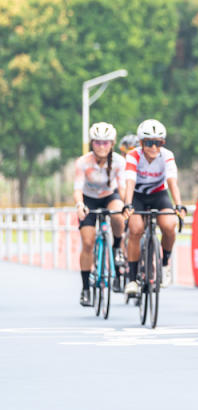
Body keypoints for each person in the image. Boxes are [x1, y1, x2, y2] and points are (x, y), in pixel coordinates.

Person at [121, 119, 187, 293]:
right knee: (135, 229)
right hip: (137, 195)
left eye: (158, 143)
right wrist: (127, 204)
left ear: (162, 144)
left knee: (169, 225)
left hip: (159, 194)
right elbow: (129, 182)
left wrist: (179, 204)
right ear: (141, 143)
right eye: (149, 143)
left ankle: (164, 264)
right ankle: (132, 278)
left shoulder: (167, 156)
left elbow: (173, 183)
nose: (153, 148)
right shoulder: (133, 155)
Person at [73, 122, 125, 306]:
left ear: (112, 143)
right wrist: (80, 205)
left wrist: (126, 206)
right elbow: (78, 188)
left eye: (105, 143)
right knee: (87, 242)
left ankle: (117, 246)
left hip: (110, 195)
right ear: (91, 143)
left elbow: (123, 187)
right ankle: (86, 288)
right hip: (89, 199)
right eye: (97, 143)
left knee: (118, 214)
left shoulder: (119, 161)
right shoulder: (83, 162)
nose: (101, 146)